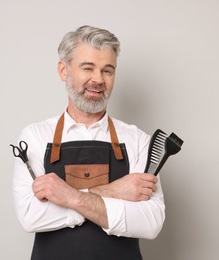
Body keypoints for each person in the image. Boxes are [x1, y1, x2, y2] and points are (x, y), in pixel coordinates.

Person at [13, 25, 165, 260]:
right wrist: (115, 191)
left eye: (107, 70)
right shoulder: (36, 136)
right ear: (64, 71)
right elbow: (31, 215)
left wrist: (68, 196)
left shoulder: (137, 140)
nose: (98, 79)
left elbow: (150, 222)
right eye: (87, 68)